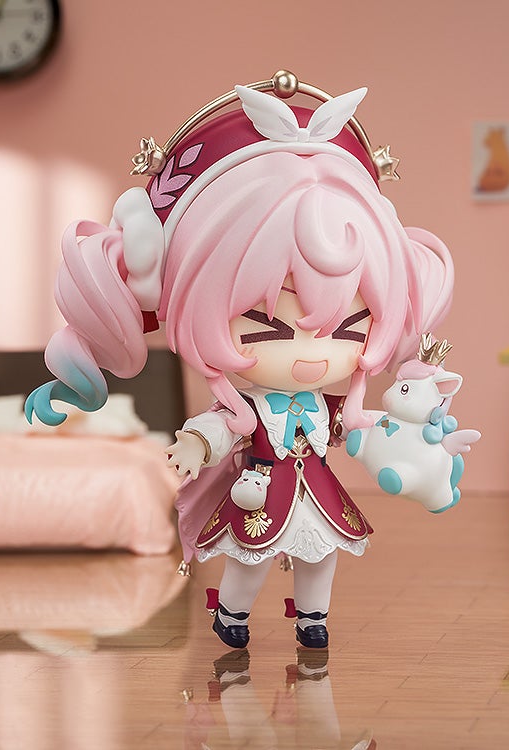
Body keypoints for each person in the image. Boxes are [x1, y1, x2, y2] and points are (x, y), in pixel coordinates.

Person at [25, 71, 455, 649]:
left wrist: (407, 443)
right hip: (259, 493)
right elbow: (220, 429)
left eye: (346, 329)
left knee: (321, 553)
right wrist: (195, 446)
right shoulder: (245, 409)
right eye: (266, 327)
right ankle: (233, 614)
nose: (311, 354)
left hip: (316, 493)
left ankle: (313, 617)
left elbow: (362, 434)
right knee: (249, 557)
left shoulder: (332, 407)